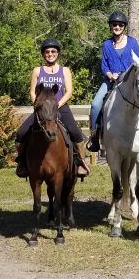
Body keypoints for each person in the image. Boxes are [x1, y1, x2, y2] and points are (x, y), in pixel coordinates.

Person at [86, 10, 139, 153]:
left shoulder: (132, 42)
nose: (117, 27)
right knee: (96, 104)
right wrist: (110, 75)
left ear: (124, 27)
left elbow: (138, 64)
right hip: (111, 81)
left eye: (120, 25)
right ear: (110, 26)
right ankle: (94, 137)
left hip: (129, 81)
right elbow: (104, 66)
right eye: (114, 25)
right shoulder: (106, 45)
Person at [14, 39, 90, 179]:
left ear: (58, 53)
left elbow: (69, 91)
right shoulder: (37, 71)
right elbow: (32, 92)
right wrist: (38, 105)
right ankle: (22, 163)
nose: (50, 54)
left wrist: (58, 104)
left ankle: (80, 163)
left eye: (53, 51)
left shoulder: (65, 70)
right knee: (21, 133)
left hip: (60, 106)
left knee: (76, 133)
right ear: (43, 54)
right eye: (47, 52)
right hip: (42, 109)